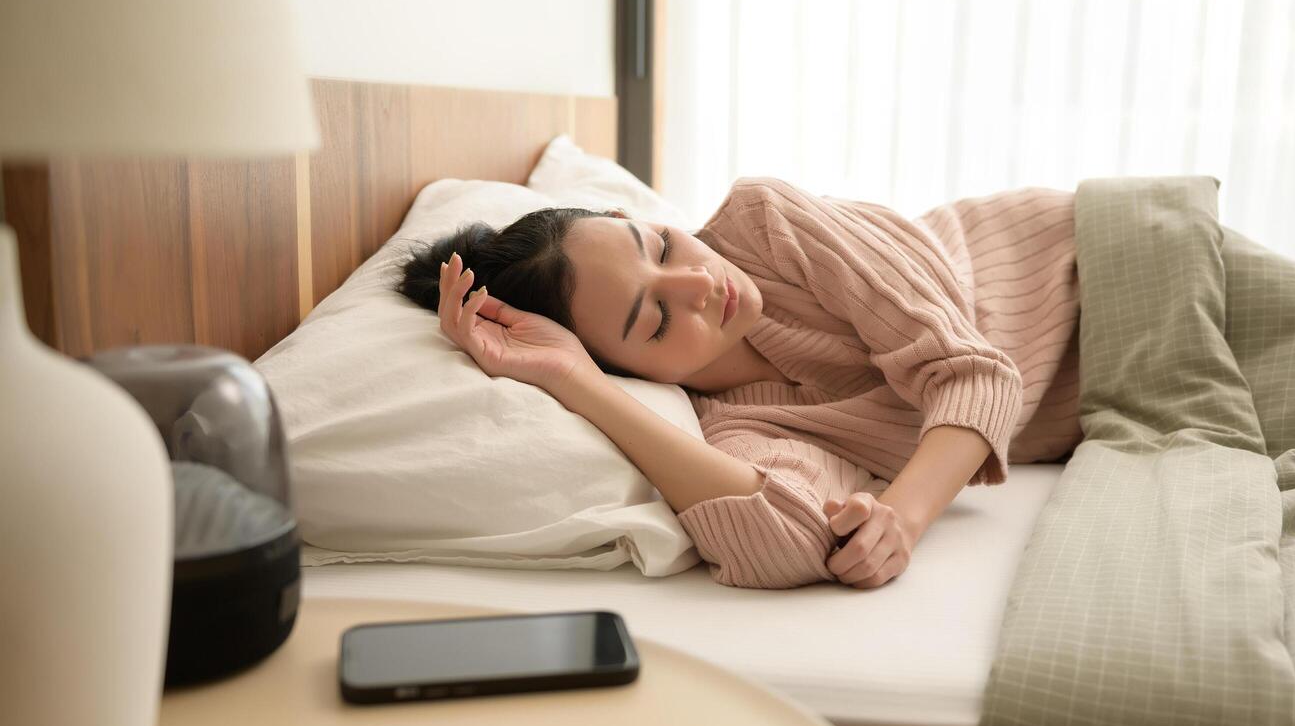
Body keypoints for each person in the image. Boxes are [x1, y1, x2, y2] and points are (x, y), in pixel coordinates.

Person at [396, 177, 1082, 590]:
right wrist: (573, 380)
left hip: (1092, 259)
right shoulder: (734, 427)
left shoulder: (768, 223)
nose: (699, 281)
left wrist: (899, 519)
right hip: (1110, 403)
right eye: (656, 318)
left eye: (660, 246)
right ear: (631, 372)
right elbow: (785, 538)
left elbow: (977, 373)